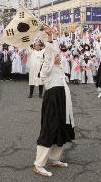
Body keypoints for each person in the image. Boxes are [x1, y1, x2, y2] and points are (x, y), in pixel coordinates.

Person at [33, 27, 75, 177]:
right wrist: (49, 38)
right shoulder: (46, 69)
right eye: (55, 56)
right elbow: (50, 53)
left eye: (59, 55)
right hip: (52, 100)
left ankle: (55, 158)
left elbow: (54, 50)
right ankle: (38, 164)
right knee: (49, 129)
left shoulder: (58, 68)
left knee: (61, 127)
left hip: (62, 99)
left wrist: (54, 35)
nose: (59, 56)